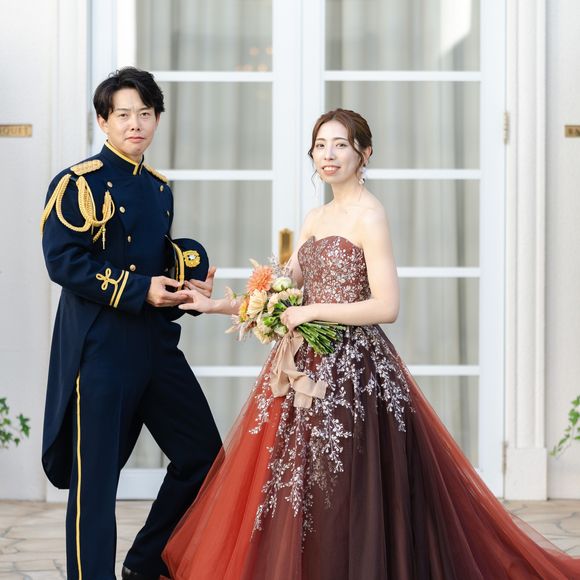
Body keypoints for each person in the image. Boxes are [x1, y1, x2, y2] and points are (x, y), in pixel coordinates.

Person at [162, 109, 580, 579]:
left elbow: (386, 305)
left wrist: (312, 312)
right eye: (321, 145)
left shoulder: (370, 215)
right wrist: (215, 304)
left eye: (340, 144)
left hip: (354, 373)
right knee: (297, 485)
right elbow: (279, 297)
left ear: (365, 153)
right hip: (304, 366)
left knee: (346, 486)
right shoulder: (315, 218)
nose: (328, 154)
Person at [40, 67, 222, 580]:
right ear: (103, 121)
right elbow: (63, 262)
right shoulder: (78, 183)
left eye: (145, 113)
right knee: (95, 483)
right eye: (123, 115)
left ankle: (143, 565)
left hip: (156, 345)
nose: (135, 124)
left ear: (157, 119)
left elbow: (153, 262)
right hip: (101, 348)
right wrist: (141, 289)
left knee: (203, 455)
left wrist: (185, 285)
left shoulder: (159, 189)